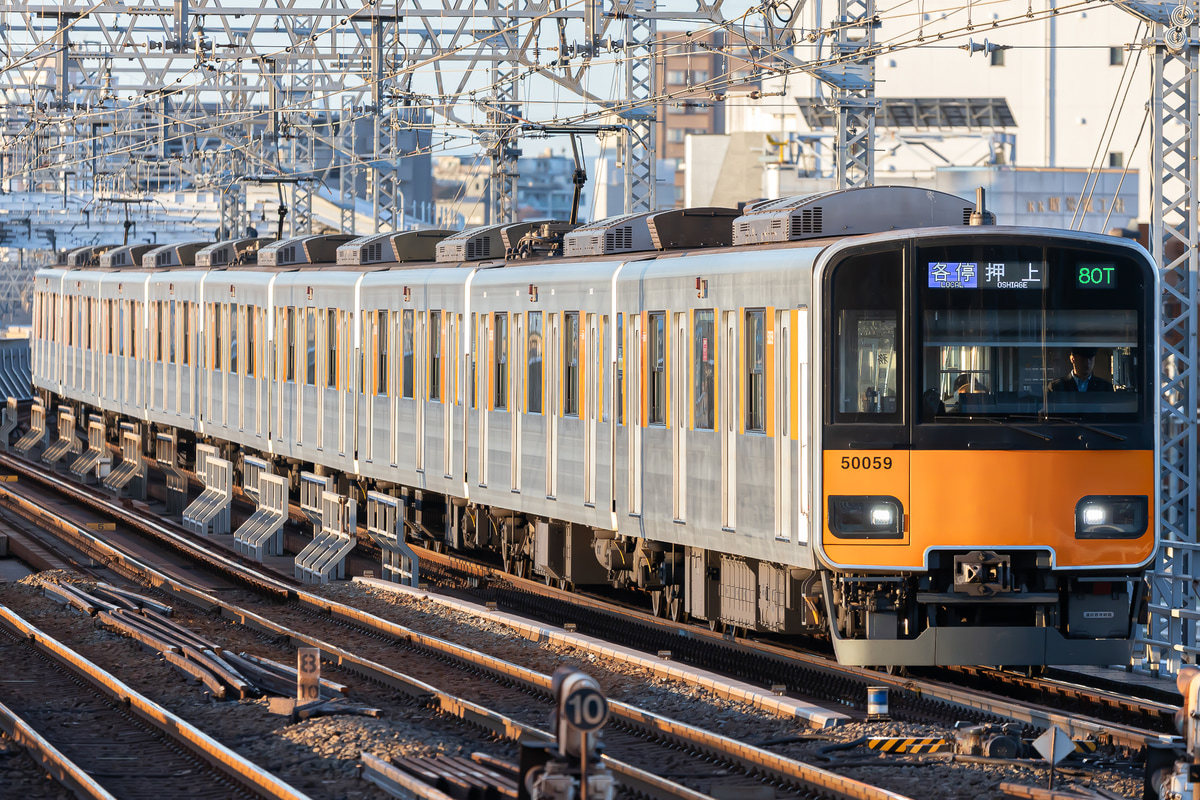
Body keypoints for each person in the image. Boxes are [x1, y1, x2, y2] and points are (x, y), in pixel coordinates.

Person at [1048, 347, 1114, 392]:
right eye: (1083, 359)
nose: (1088, 363)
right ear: (1073, 359)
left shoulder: (1106, 388)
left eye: (1090, 359)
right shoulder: (1056, 387)